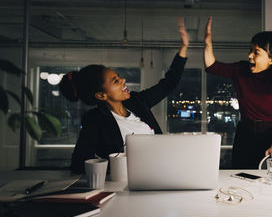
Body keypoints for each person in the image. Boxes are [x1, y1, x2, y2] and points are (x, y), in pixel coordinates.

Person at [60, 18, 189, 173]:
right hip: (127, 186)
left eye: (119, 77)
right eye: (116, 81)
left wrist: (183, 48)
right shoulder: (95, 120)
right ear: (101, 95)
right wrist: (116, 171)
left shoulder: (137, 102)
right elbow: (79, 163)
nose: (123, 81)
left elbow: (168, 84)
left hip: (162, 172)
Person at [203, 17, 272, 169]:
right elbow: (212, 66)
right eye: (250, 50)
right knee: (241, 178)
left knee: (271, 182)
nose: (249, 56)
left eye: (256, 52)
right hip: (244, 135)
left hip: (271, 138)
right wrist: (207, 42)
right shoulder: (242, 70)